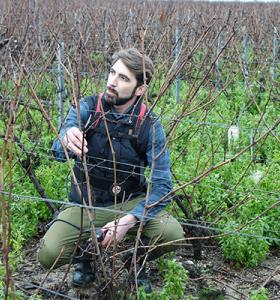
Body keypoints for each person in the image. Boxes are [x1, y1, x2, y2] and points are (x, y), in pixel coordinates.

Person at [37, 48, 184, 292]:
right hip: (86, 203)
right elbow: (55, 152)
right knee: (48, 254)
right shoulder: (87, 107)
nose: (112, 82)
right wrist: (65, 139)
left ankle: (136, 261)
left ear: (140, 89)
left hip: (130, 202)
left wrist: (130, 220)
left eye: (123, 78)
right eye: (112, 72)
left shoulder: (149, 125)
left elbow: (162, 185)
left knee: (172, 233)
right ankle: (86, 257)